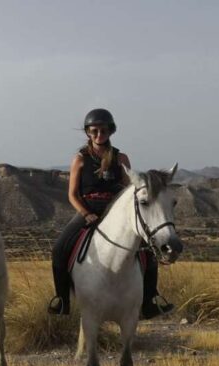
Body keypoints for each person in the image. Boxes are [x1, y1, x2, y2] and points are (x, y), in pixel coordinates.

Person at [48, 108, 174, 319]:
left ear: (110, 131)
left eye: (103, 130)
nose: (99, 135)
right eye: (94, 131)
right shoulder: (80, 158)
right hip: (88, 209)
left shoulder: (121, 158)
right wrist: (85, 214)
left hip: (116, 212)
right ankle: (62, 300)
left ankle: (150, 300)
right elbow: (72, 195)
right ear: (88, 132)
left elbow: (128, 190)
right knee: (59, 249)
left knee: (148, 252)